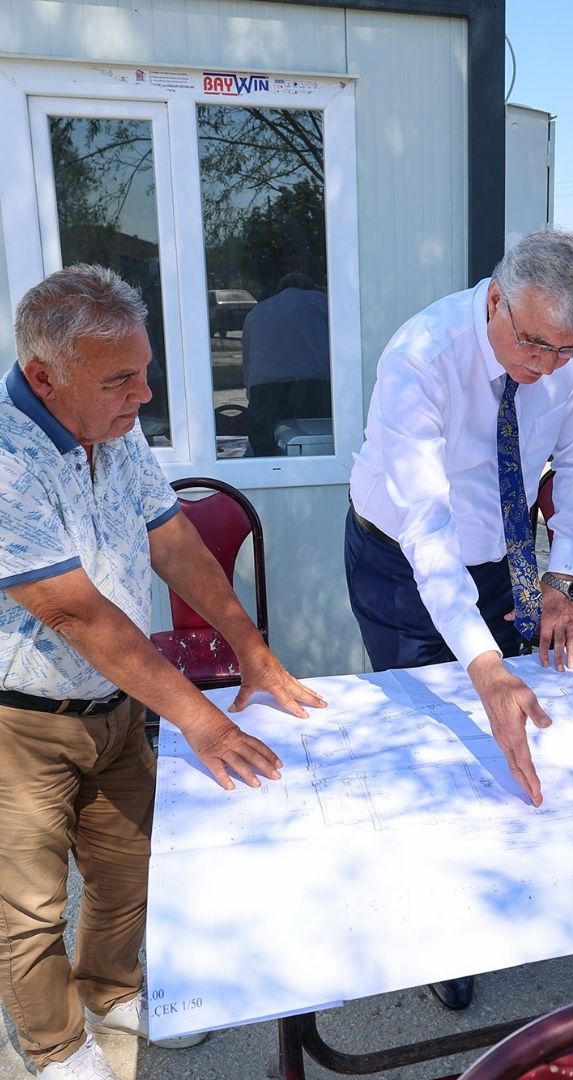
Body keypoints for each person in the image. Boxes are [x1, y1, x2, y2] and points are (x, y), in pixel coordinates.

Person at [0, 265, 324, 1079]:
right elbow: (75, 613)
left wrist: (250, 646)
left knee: (127, 865)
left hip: (117, 701)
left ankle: (109, 992)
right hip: (21, 720)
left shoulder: (112, 425)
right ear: (45, 376)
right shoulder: (6, 458)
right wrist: (201, 717)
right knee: (28, 907)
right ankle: (53, 1047)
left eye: (145, 372)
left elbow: (172, 537)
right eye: (121, 379)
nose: (143, 394)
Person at [344, 229, 573, 1010]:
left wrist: (560, 578)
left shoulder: (563, 349)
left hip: (502, 550)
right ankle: (439, 928)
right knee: (432, 732)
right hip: (401, 556)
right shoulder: (420, 355)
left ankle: (506, 885)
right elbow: (427, 528)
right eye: (535, 347)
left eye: (568, 351)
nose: (549, 366)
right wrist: (483, 663)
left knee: (508, 723)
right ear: (495, 299)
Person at [240, 273, 332, 456]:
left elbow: (247, 361)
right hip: (314, 384)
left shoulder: (257, 312)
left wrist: (253, 395)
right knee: (314, 443)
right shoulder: (321, 302)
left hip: (264, 387)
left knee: (265, 448)